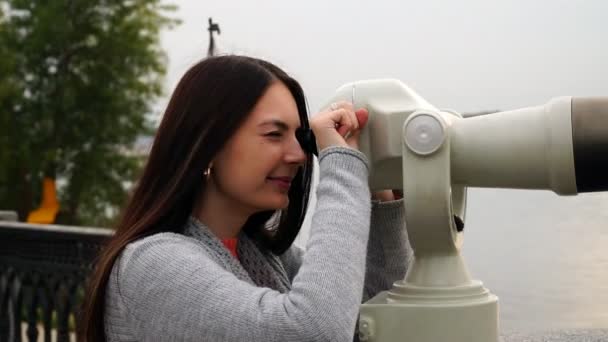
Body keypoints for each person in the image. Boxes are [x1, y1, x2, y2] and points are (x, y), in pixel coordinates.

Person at [80, 55, 411, 342]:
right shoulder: (151, 266)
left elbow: (370, 320)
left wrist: (380, 202)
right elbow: (313, 333)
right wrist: (341, 166)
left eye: (300, 136)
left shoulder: (269, 259)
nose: (299, 155)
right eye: (273, 134)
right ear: (207, 146)